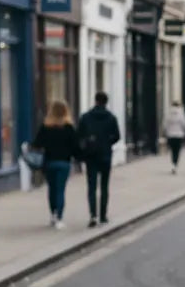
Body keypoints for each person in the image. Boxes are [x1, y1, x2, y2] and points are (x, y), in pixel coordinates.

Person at [32, 99, 79, 229]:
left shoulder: (46, 127)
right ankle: (59, 217)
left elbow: (37, 144)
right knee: (60, 190)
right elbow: (75, 147)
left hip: (50, 162)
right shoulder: (69, 128)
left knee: (52, 189)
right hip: (64, 162)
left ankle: (53, 213)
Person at [77, 91, 120, 228]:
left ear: (95, 101)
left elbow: (79, 135)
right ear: (106, 102)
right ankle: (103, 215)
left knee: (91, 186)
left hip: (91, 155)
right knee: (104, 186)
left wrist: (86, 146)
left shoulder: (86, 117)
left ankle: (93, 215)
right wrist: (107, 143)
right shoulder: (111, 118)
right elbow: (117, 136)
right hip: (105, 155)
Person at [163, 100, 185, 172]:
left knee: (172, 150)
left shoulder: (168, 113)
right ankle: (175, 164)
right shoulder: (181, 112)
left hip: (170, 134)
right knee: (177, 150)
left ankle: (173, 164)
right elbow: (184, 123)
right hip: (179, 135)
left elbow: (165, 124)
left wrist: (165, 131)